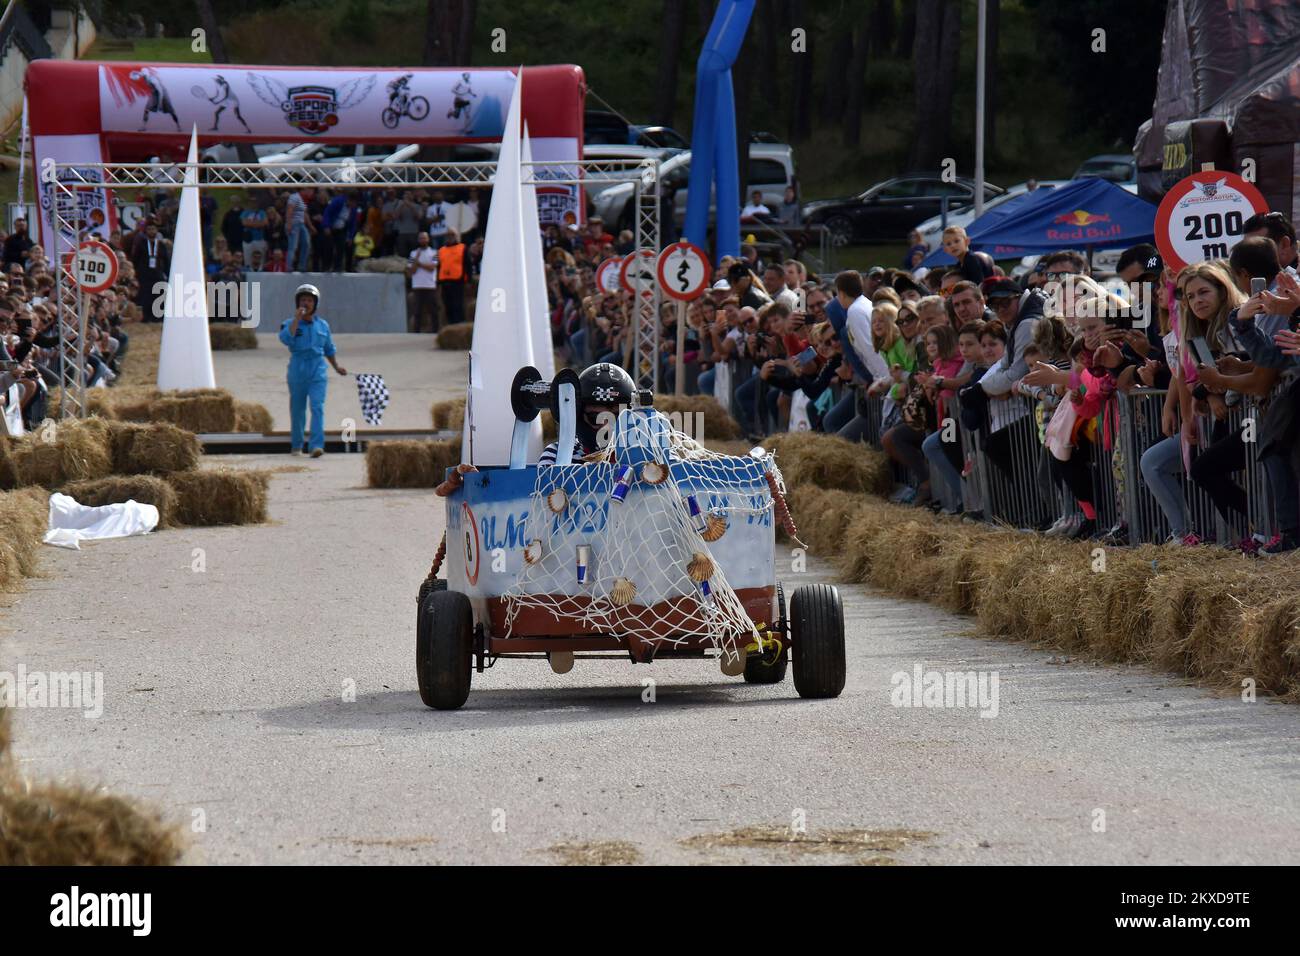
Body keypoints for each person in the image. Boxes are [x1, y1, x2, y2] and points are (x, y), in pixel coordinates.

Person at [278, 284, 347, 457]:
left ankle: (316, 445)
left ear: (315, 303)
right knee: (298, 408)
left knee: (317, 406)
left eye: (309, 300)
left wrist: (337, 366)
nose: (306, 303)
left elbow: (329, 349)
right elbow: (286, 339)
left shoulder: (323, 325)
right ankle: (297, 445)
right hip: (298, 368)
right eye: (303, 300)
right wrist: (296, 319)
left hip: (318, 368)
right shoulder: (288, 323)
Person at [538, 362, 637, 466]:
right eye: (595, 417)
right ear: (579, 416)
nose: (606, 427)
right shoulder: (555, 455)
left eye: (617, 417)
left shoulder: (642, 456)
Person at [407, 231, 440, 333]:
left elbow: (432, 267)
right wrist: (416, 259)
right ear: (418, 240)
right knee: (417, 311)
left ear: (428, 239)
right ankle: (416, 332)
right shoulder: (412, 254)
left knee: (433, 310)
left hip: (430, 285)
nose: (423, 240)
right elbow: (411, 270)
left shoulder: (435, 253)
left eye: (424, 238)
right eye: (421, 238)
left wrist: (419, 263)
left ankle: (435, 330)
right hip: (417, 286)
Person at [438, 229, 467, 325]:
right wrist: (438, 282)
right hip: (445, 282)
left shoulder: (462, 248)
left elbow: (467, 264)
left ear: (456, 236)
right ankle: (451, 325)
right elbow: (439, 266)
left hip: (457, 281)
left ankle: (459, 324)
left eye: (452, 235)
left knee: (457, 305)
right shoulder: (441, 250)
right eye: (448, 235)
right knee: (448, 306)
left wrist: (468, 279)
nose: (450, 237)